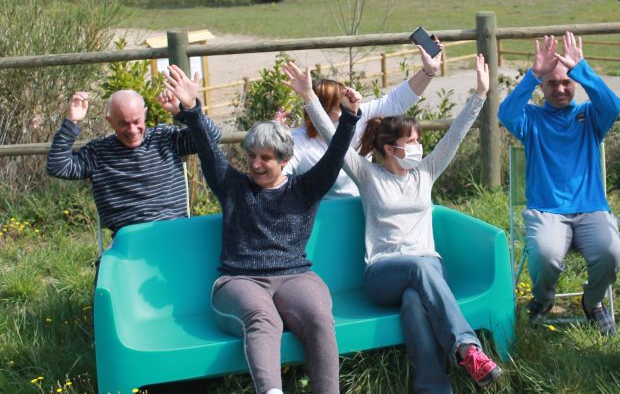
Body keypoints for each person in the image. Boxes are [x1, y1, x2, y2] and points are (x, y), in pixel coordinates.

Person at [283, 55, 502, 394]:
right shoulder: (367, 175)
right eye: (411, 142)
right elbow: (332, 137)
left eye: (419, 140)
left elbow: (456, 134)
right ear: (389, 148)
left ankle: (432, 387)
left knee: (415, 301)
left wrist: (480, 94)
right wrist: (309, 97)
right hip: (383, 273)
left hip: (428, 272)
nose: (419, 147)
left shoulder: (426, 172)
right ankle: (465, 346)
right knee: (418, 267)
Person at [163, 64, 357, 394]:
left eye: (265, 158)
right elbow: (208, 151)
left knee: (319, 316)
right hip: (240, 280)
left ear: (284, 161)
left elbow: (335, 154)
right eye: (252, 155)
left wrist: (349, 117)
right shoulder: (232, 186)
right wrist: (192, 109)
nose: (255, 164)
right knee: (263, 317)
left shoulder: (305, 188)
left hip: (295, 275)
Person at [498, 31, 620, 335]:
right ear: (542, 86)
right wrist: (532, 74)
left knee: (610, 253)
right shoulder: (531, 119)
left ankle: (592, 301)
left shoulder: (590, 116)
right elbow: (506, 113)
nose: (560, 89)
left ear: (575, 83)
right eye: (552, 83)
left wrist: (582, 69)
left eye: (567, 82)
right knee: (544, 255)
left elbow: (613, 106)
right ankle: (543, 300)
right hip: (546, 210)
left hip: (591, 209)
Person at [46, 85, 221, 235]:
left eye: (137, 121)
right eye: (123, 123)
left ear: (145, 114)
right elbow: (58, 167)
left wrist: (184, 111)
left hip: (175, 231)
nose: (132, 130)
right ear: (110, 121)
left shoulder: (165, 138)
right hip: (130, 240)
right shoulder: (98, 153)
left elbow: (212, 137)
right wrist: (71, 121)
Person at [281, 39, 444, 198]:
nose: (349, 101)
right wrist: (275, 136)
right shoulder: (298, 141)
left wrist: (428, 71)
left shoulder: (359, 115)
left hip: (364, 205)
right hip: (321, 211)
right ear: (329, 110)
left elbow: (397, 101)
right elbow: (277, 176)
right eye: (342, 101)